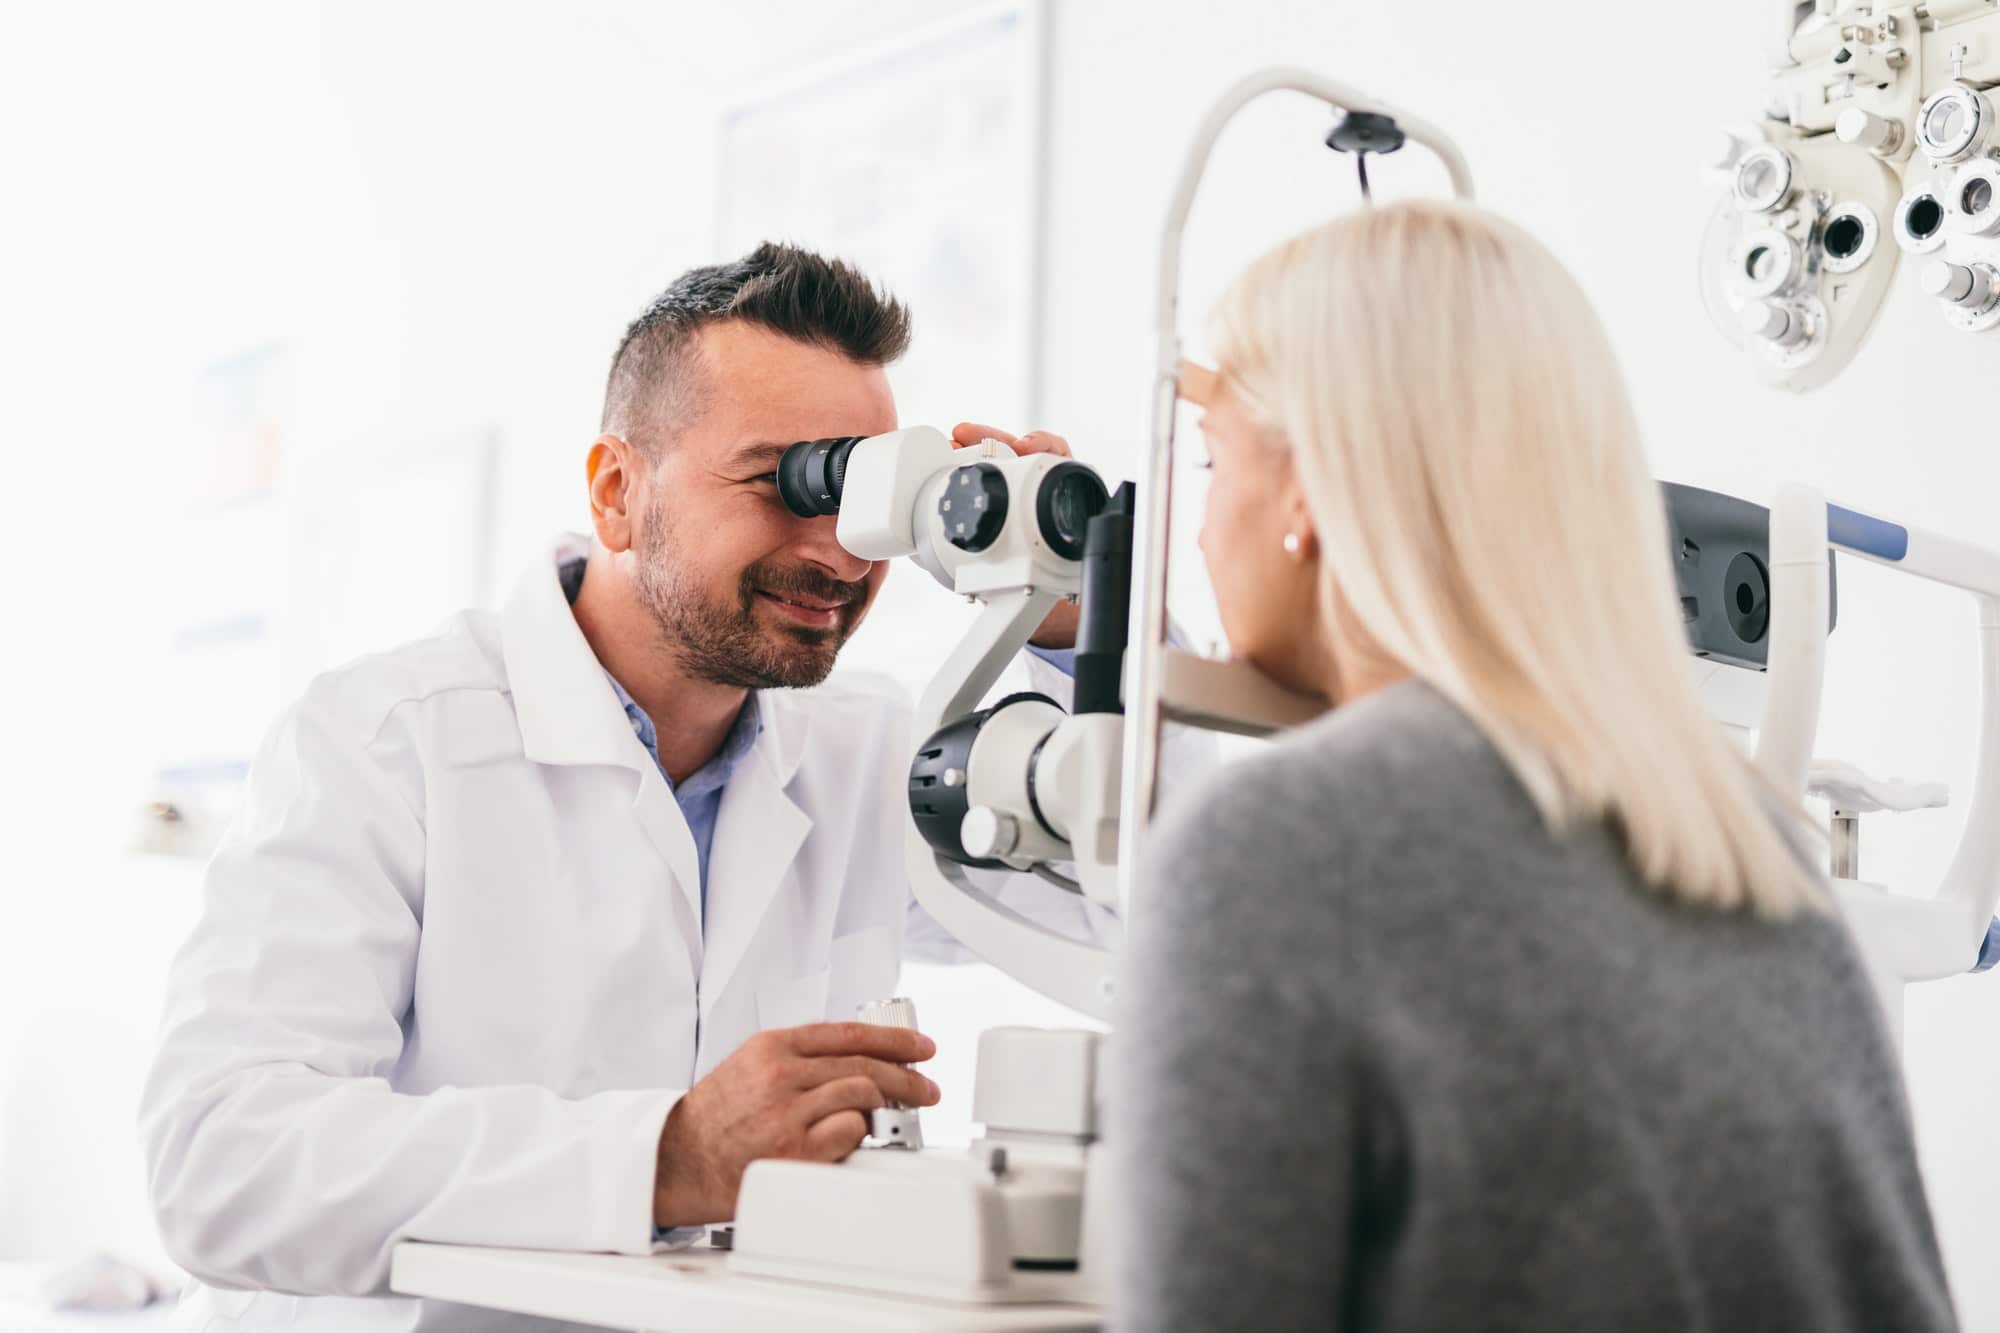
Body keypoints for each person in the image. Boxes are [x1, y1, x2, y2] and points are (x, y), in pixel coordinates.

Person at [138, 243, 1154, 1330]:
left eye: (861, 496)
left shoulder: (864, 756)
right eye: (784, 479)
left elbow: (1148, 922)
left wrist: (1070, 622)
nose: (838, 552)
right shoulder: (383, 741)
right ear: (618, 492)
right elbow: (221, 1160)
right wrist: (668, 1155)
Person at [1112, 201, 1959, 1332]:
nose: (1202, 521)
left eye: (1214, 461)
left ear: (1309, 484)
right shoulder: (1749, 841)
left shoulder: (1280, 844)